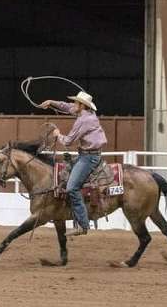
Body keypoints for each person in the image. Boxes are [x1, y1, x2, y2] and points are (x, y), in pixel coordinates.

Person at [39, 91, 107, 236]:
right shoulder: (86, 114)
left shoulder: (84, 121)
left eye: (76, 102)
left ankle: (83, 224)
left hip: (88, 158)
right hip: (87, 154)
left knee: (72, 188)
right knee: (64, 176)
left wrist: (58, 135)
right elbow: (66, 106)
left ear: (82, 105)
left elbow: (69, 142)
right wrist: (51, 102)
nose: (73, 104)